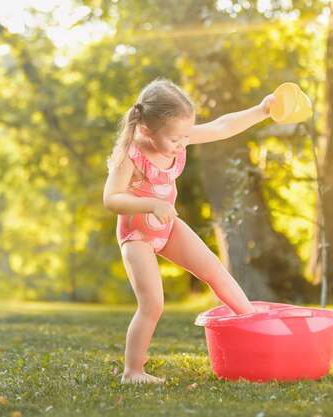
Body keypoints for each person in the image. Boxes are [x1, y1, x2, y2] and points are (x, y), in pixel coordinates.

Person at [103, 78, 276, 384]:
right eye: (175, 139)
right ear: (146, 130)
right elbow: (111, 199)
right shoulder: (130, 155)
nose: (182, 143)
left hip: (168, 228)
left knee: (214, 269)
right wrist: (151, 205)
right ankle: (133, 372)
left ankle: (253, 325)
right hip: (137, 236)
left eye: (186, 135)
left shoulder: (177, 135)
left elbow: (222, 126)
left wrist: (261, 111)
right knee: (152, 303)